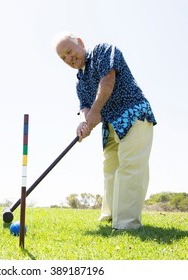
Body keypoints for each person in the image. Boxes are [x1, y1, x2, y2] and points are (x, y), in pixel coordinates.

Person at [54, 32, 157, 230]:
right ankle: (110, 216)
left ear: (81, 43)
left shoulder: (103, 50)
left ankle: (126, 224)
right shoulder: (80, 82)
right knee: (110, 170)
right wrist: (84, 123)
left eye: (69, 51)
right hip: (110, 125)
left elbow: (107, 81)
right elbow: (85, 109)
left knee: (130, 167)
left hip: (133, 115)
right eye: (63, 57)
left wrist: (93, 113)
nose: (68, 58)